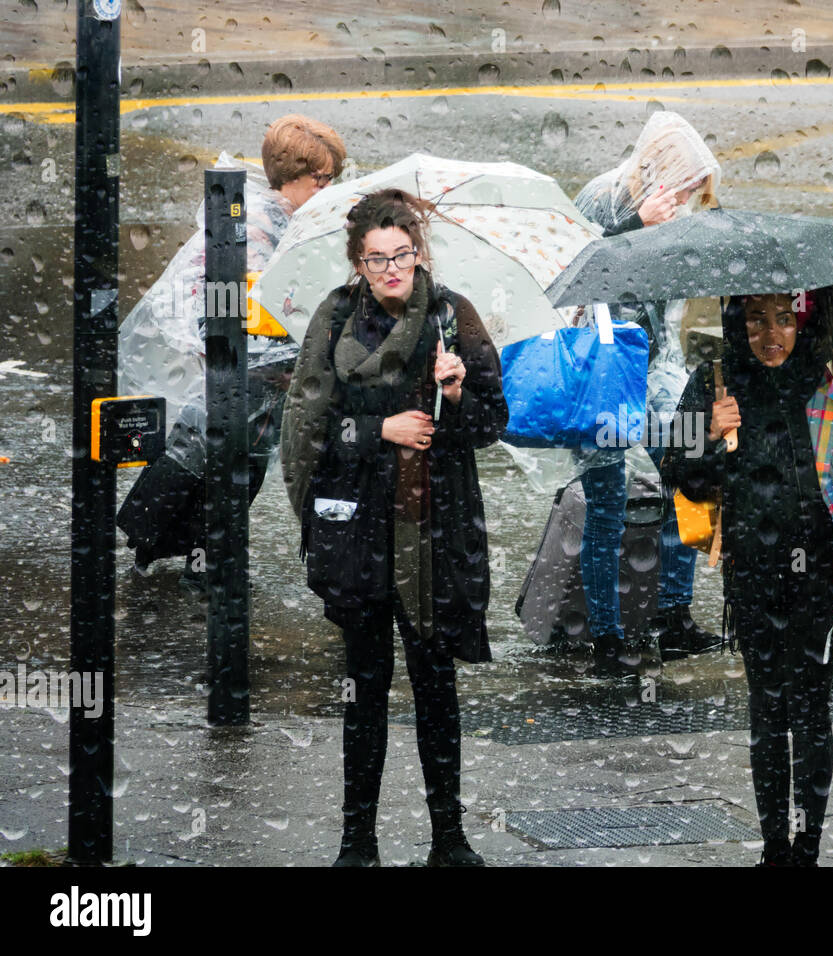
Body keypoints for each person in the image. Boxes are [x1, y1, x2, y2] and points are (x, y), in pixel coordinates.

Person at [281, 189, 508, 866]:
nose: (390, 270)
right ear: (356, 260)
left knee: (436, 685)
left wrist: (459, 390)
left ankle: (449, 837)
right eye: (376, 259)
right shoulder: (332, 322)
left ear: (419, 251)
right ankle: (359, 840)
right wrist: (378, 429)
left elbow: (493, 425)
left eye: (402, 255)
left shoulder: (451, 317)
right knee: (364, 687)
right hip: (358, 533)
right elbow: (305, 427)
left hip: (430, 534)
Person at [661, 285, 833, 866]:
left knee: (809, 712)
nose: (770, 336)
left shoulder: (832, 377)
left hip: (820, 577)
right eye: (757, 321)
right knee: (766, 714)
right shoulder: (715, 380)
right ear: (738, 323)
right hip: (752, 576)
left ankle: (806, 849)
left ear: (803, 321)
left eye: (784, 320)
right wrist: (707, 433)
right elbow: (680, 475)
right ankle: (774, 849)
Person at [118, 114, 347, 589]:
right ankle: (162, 554)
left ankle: (202, 560)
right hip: (242, 377)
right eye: (320, 178)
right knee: (204, 463)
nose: (327, 187)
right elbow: (234, 302)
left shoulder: (304, 220)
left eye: (332, 179)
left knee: (240, 473)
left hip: (272, 385)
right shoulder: (256, 223)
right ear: (291, 175)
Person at [571, 111, 723, 671]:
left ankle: (674, 617)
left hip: (658, 372)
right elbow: (572, 269)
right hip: (603, 374)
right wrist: (636, 222)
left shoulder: (679, 218)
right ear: (658, 171)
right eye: (684, 188)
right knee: (607, 504)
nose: (687, 201)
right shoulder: (602, 198)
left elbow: (670, 319)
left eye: (693, 195)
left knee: (689, 477)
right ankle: (606, 640)